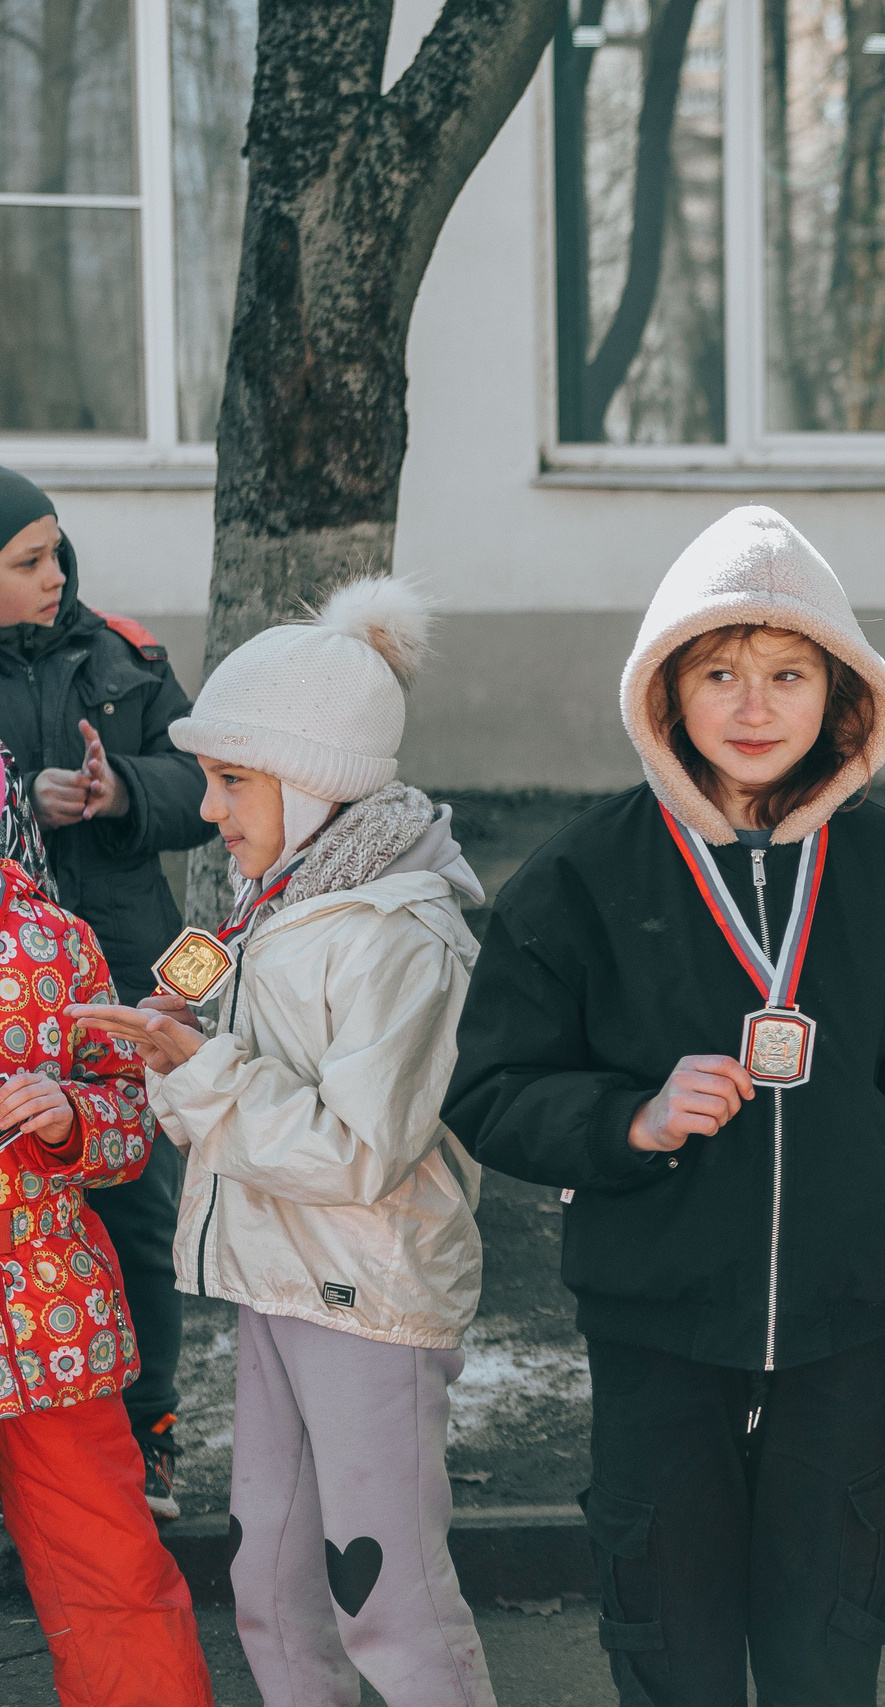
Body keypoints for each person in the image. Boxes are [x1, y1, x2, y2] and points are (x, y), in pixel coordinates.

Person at [442, 506, 885, 1707]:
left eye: (787, 674)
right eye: (718, 673)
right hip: (656, 1320)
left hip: (838, 1317)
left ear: (840, 694)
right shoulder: (582, 877)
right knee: (669, 1634)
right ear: (664, 693)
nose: (752, 705)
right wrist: (629, 1119)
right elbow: (491, 1086)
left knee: (827, 1628)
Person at [70, 577, 496, 1704]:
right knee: (266, 1581)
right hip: (278, 1281)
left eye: (231, 781)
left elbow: (360, 1155)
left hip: (368, 1298)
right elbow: (255, 1085)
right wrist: (182, 1051)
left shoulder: (399, 931)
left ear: (316, 783)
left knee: (386, 1601)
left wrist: (197, 1070)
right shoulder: (286, 897)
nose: (208, 810)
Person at [0, 465, 218, 1518]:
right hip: (10, 995)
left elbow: (202, 786)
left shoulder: (123, 655)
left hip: (124, 970)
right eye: (27, 561)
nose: (56, 575)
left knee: (134, 1206)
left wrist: (118, 788)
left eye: (56, 550)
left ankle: (149, 1430)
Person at [0, 762, 216, 1704]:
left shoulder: (52, 940)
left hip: (50, 1309)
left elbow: (136, 1113)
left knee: (111, 1570)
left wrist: (71, 1118)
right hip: (53, 1311)